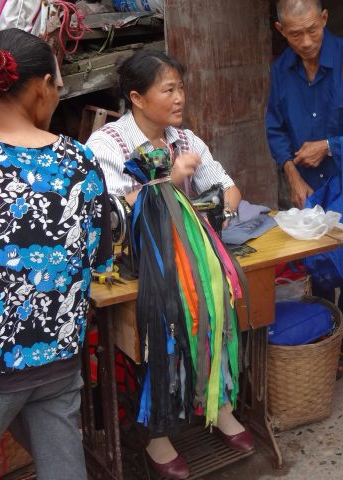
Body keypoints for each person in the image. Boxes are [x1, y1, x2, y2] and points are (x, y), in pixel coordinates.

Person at [86, 50, 252, 480]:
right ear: (138, 97)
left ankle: (220, 404)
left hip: (192, 263)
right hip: (141, 272)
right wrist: (169, 181)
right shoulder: (107, 145)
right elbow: (116, 214)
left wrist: (220, 210)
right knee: (160, 329)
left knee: (220, 307)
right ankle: (157, 428)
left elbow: (227, 187)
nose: (180, 98)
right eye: (169, 89)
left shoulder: (186, 139)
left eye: (181, 87)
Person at [0, 28, 112, 480]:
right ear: (40, 87)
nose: (57, 96)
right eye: (58, 86)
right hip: (56, 358)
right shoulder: (78, 159)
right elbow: (98, 255)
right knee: (62, 466)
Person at [266, 0, 343, 375]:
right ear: (280, 30)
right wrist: (292, 174)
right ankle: (324, 337)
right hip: (308, 187)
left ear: (324, 19)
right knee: (317, 267)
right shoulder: (280, 70)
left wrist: (331, 146)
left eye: (312, 30)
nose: (305, 41)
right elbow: (275, 128)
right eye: (295, 34)